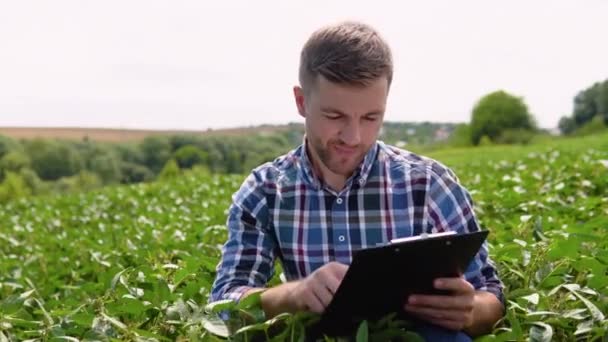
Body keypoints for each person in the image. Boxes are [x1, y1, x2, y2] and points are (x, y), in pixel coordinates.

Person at [209, 21, 505, 341]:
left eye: (370, 118)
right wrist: (293, 298)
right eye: (335, 116)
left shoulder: (431, 185)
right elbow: (223, 305)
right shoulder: (264, 192)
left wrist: (471, 310)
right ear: (301, 102)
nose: (353, 137)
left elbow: (490, 293)